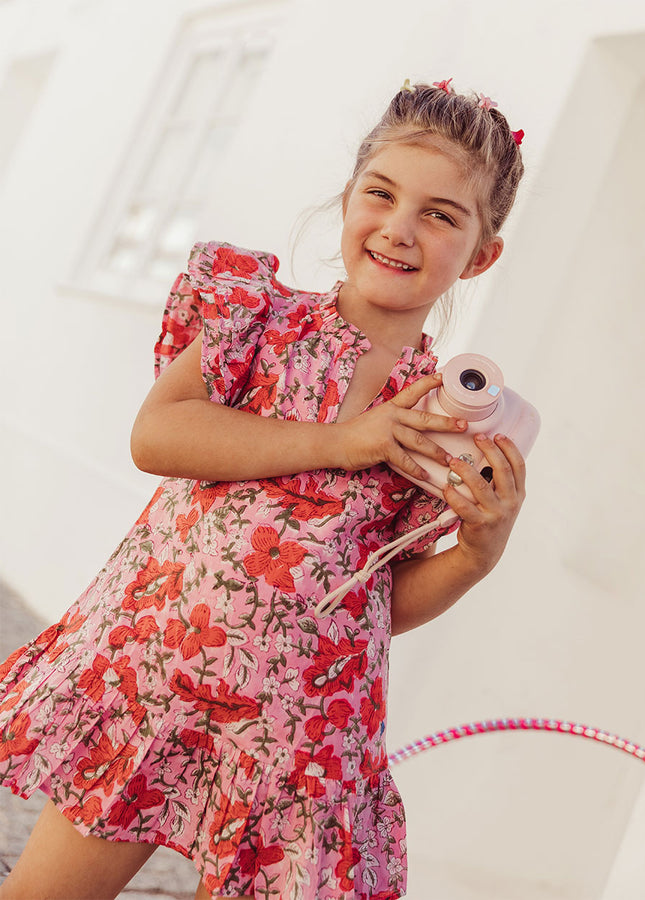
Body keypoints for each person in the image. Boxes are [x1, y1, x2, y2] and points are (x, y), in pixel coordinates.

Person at [0, 80, 527, 900]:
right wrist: (343, 441)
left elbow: (376, 600)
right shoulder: (261, 320)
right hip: (157, 674)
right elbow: (158, 434)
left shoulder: (444, 417)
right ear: (348, 200)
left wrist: (476, 555)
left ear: (481, 255)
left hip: (299, 735)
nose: (399, 227)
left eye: (440, 214)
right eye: (381, 194)